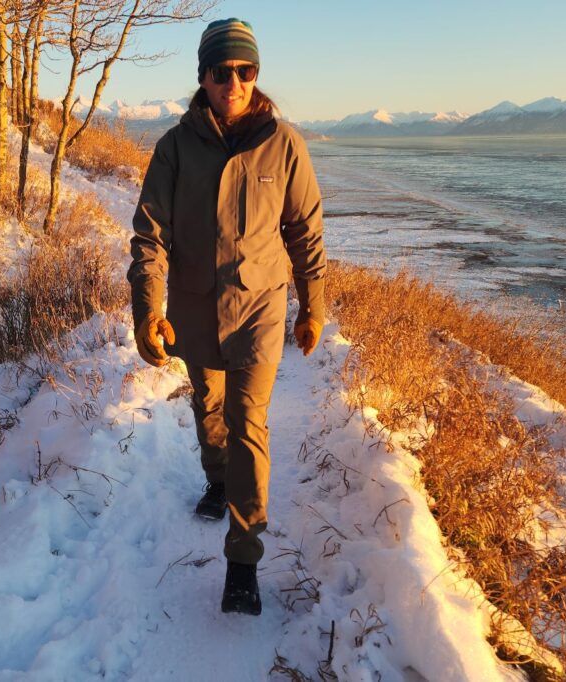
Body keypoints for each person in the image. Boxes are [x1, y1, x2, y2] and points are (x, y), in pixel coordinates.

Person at [127, 18, 327, 616]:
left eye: (245, 71)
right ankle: (217, 478)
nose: (234, 82)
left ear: (255, 76)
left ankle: (243, 560)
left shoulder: (283, 143)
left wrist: (314, 307)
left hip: (260, 309)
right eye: (222, 72)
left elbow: (305, 232)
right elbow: (149, 238)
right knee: (207, 406)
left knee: (248, 421)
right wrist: (148, 312)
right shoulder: (174, 148)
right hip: (194, 306)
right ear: (203, 78)